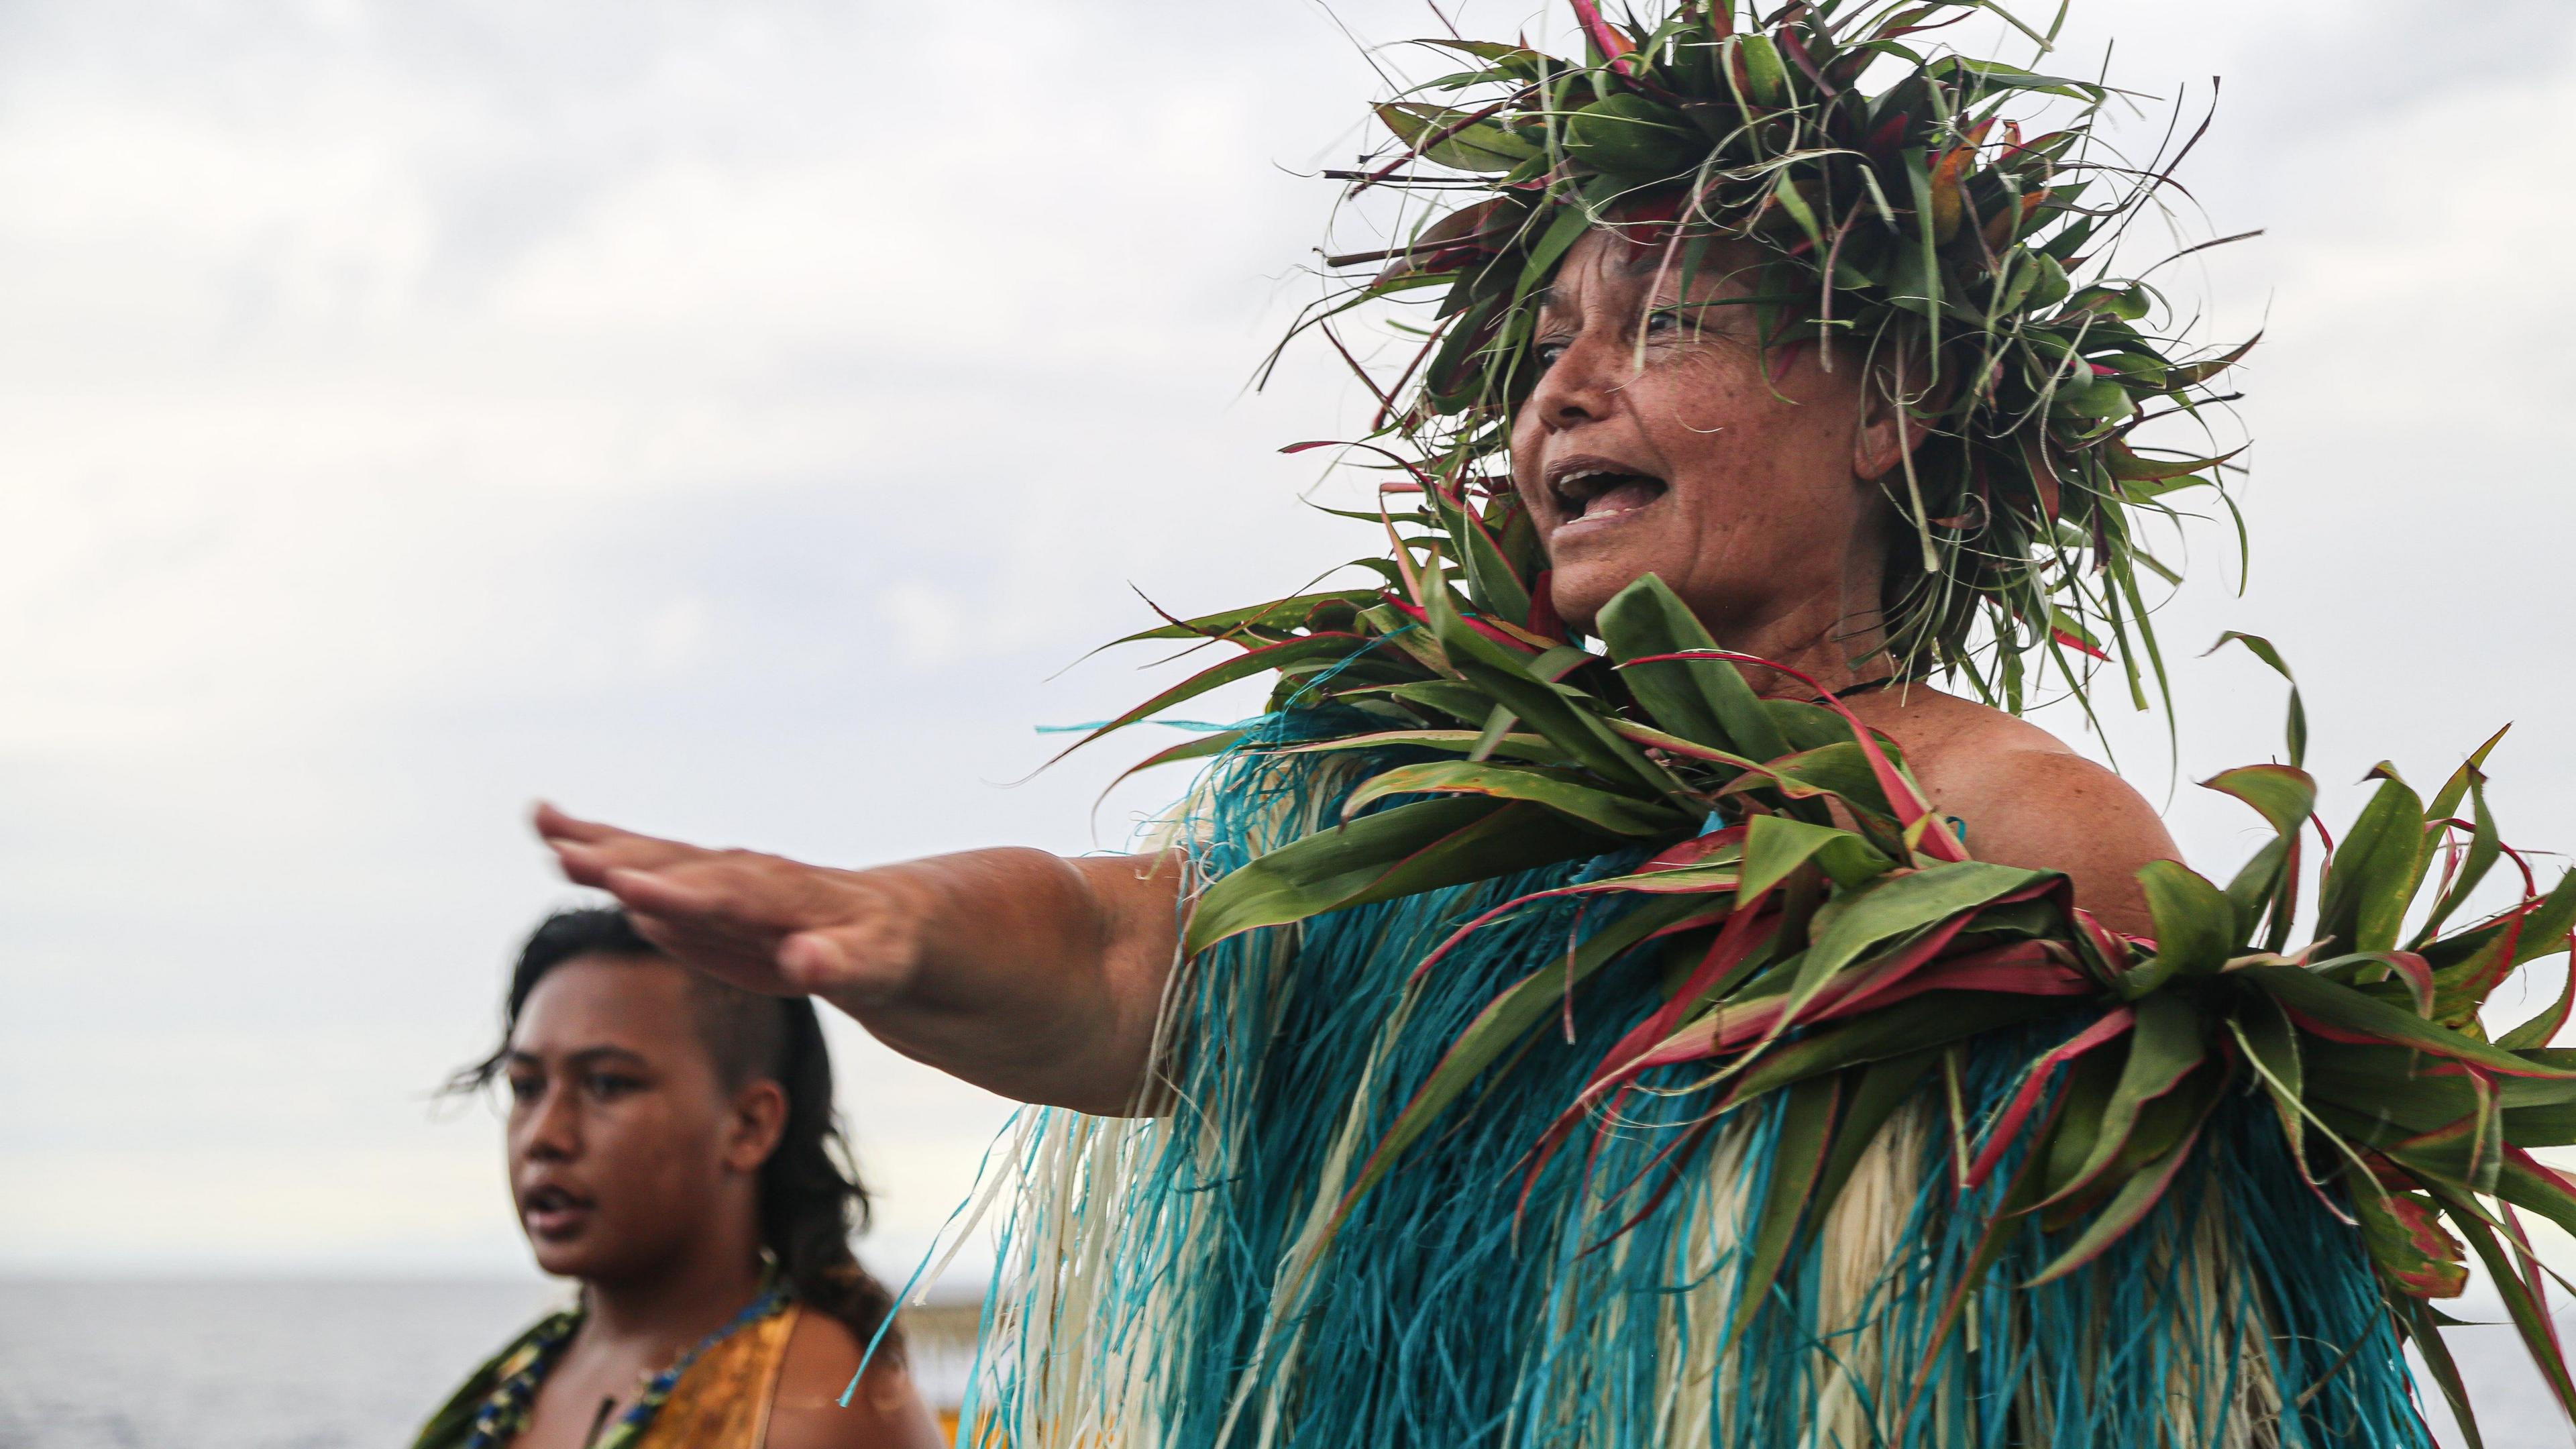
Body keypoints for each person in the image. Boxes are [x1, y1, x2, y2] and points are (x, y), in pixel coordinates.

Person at [532, 3, 2576, 1444]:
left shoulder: (2024, 834)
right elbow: (1122, 949)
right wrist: (875, 925)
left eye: (1659, 326)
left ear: (1882, 409)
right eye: (1546, 352)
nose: (1558, 397)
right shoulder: (1449, 826)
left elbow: (2224, 1331)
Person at [415, 908, 945, 1449]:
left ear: (749, 1126)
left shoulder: (810, 1408)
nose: (544, 1137)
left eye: (607, 1084)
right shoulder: (524, 1378)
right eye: (526, 1087)